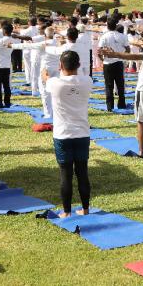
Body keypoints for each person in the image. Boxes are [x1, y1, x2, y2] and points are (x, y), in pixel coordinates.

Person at [44, 50, 92, 217]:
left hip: (63, 134)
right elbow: (81, 77)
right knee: (82, 173)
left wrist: (45, 70)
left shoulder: (55, 83)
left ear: (60, 66)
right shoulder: (87, 81)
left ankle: (66, 212)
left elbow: (46, 79)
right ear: (78, 65)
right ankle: (85, 209)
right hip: (82, 133)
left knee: (66, 175)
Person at [101, 30, 143, 156]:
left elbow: (133, 57)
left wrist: (114, 54)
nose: (141, 43)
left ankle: (141, 151)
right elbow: (139, 46)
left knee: (140, 121)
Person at [97, 19, 128, 112]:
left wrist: (103, 59)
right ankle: (121, 104)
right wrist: (122, 56)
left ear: (107, 26)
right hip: (118, 62)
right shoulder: (122, 36)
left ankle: (110, 107)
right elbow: (128, 48)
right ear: (115, 26)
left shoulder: (104, 37)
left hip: (108, 63)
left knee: (109, 85)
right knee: (120, 84)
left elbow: (99, 51)